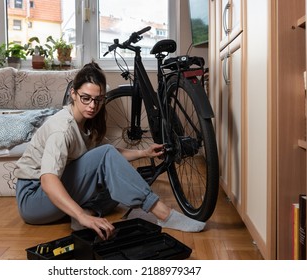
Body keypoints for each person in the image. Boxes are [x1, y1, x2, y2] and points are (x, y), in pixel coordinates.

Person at [15, 61, 205, 241]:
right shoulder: (62, 129)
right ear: (73, 93)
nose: (92, 106)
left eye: (98, 100)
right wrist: (82, 216)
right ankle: (163, 213)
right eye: (85, 98)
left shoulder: (87, 123)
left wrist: (143, 153)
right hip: (34, 199)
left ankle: (88, 212)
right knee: (114, 171)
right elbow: (48, 181)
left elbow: (110, 157)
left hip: (52, 192)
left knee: (118, 183)